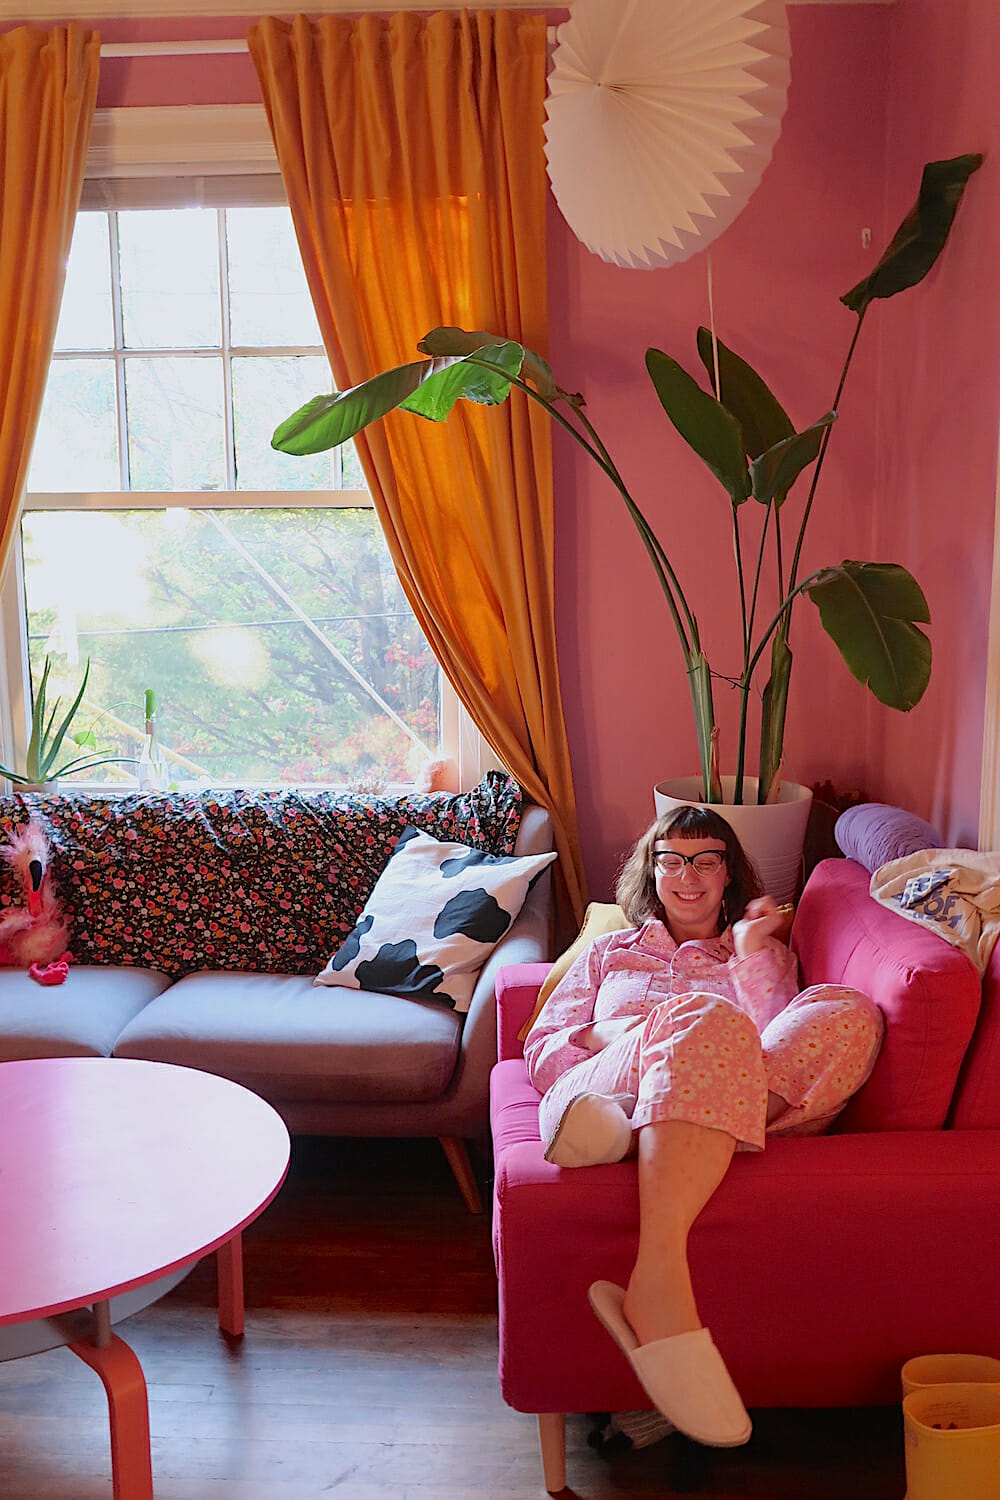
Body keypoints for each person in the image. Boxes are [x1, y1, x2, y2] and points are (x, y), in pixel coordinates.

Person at [523, 806, 883, 1449]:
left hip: (715, 1084)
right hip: (602, 1081)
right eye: (672, 859)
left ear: (728, 875)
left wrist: (750, 954)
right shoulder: (610, 951)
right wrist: (618, 1033)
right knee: (701, 1019)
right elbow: (543, 1049)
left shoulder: (758, 954)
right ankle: (657, 1284)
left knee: (846, 1012)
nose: (687, 875)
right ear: (651, 870)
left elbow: (777, 1038)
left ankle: (631, 1136)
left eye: (705, 860)